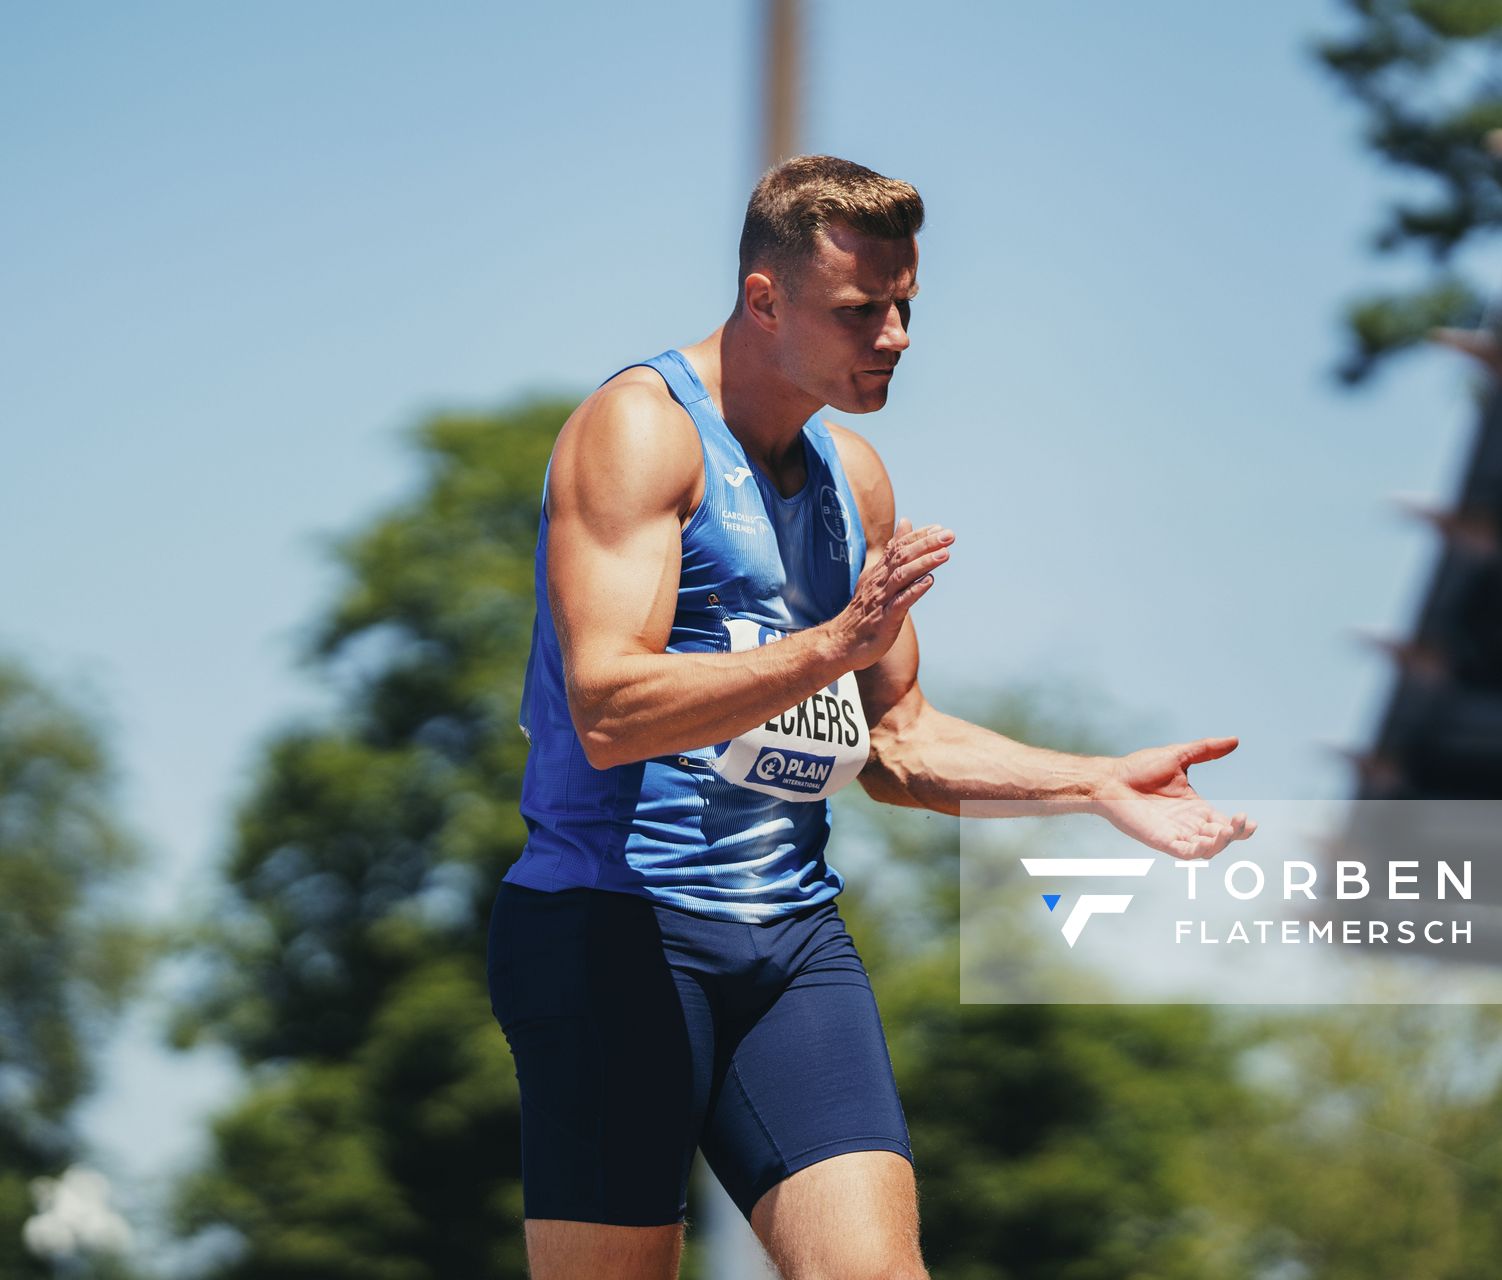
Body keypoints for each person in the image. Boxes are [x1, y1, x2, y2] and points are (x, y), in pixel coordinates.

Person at [487, 154, 1254, 1280]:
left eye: (904, 306)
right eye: (860, 310)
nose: (893, 334)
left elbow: (899, 744)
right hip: (616, 931)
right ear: (764, 300)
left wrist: (1089, 781)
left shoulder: (857, 477)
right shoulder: (641, 432)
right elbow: (607, 705)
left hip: (791, 943)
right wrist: (832, 647)